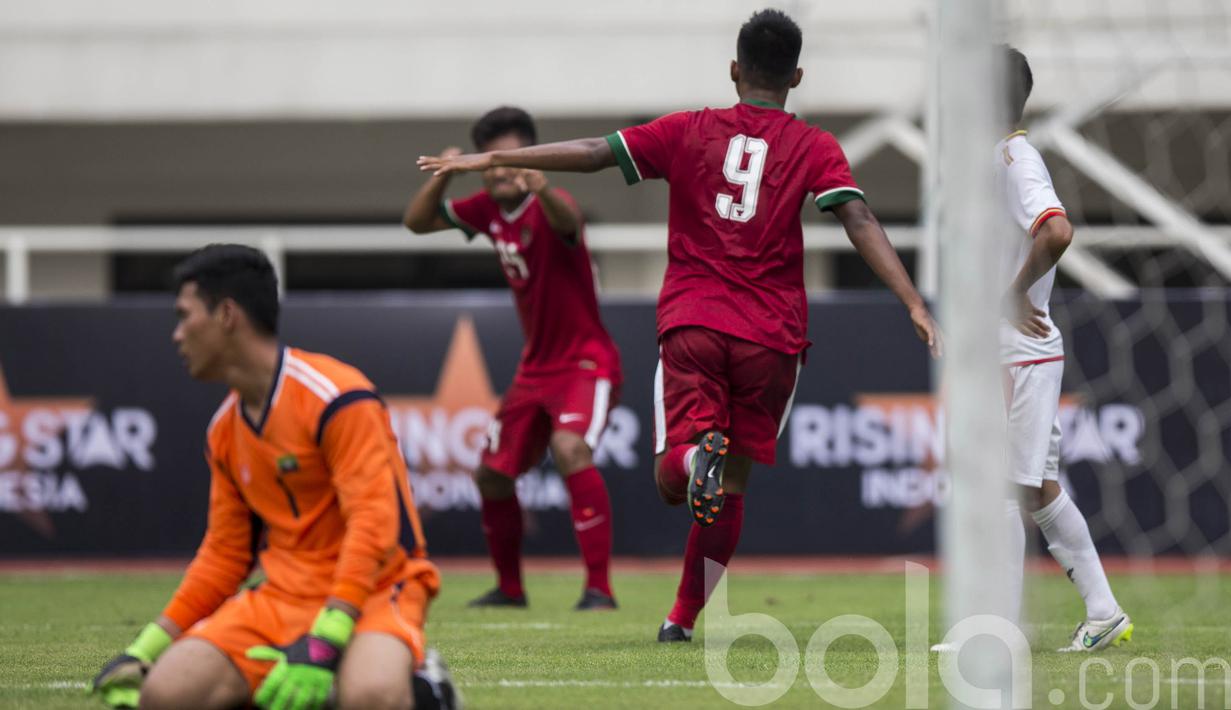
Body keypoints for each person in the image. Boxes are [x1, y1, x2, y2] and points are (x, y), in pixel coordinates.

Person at [419, 9, 940, 642]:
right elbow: (857, 218)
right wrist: (912, 300)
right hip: (773, 336)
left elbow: (591, 153)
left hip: (695, 321)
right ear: (796, 76)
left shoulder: (689, 129)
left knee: (678, 474)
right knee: (736, 482)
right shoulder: (816, 147)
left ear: (733, 69)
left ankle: (694, 460)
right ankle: (681, 619)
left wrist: (484, 163)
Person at [91, 245, 458, 709]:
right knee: (166, 694)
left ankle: (426, 689)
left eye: (185, 317)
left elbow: (374, 523)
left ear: (226, 315)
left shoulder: (336, 396)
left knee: (369, 697)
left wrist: (326, 639)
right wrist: (145, 649)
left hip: (377, 590)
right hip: (281, 598)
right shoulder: (224, 429)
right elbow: (225, 555)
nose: (177, 335)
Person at [404, 107, 622, 611]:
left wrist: (544, 188)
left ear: (527, 160)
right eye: (492, 162)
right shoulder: (486, 208)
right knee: (491, 476)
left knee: (571, 450)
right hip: (536, 367)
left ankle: (599, 590)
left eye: (509, 160)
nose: (501, 171)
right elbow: (416, 223)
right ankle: (510, 589)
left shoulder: (553, 200)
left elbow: (570, 223)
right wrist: (444, 176)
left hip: (586, 361)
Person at [997, 47, 1132, 652]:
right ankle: (1102, 611)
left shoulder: (1014, 158)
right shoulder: (999, 157)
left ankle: (993, 631)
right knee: (1036, 487)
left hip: (1017, 349)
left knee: (1003, 485)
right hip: (1017, 351)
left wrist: (1012, 293)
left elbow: (1057, 229)